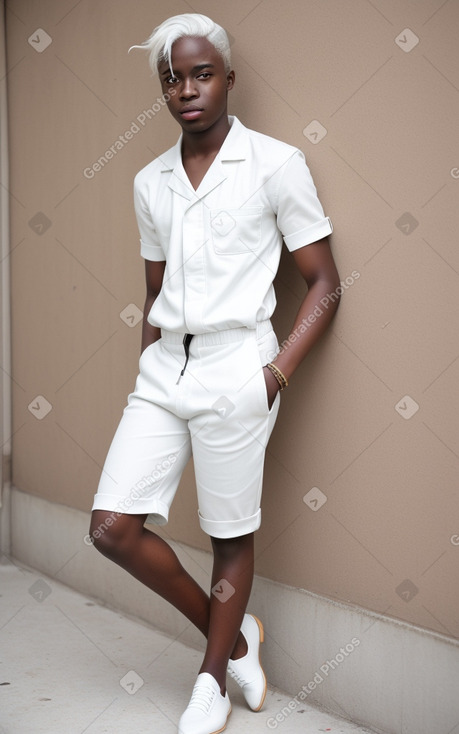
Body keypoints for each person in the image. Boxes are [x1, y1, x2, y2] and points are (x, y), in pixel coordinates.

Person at [89, 12, 340, 734]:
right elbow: (153, 289)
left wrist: (274, 374)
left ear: (228, 78)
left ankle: (209, 680)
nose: (187, 89)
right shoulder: (149, 182)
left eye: (201, 74)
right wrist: (147, 362)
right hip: (166, 367)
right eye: (173, 79)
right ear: (162, 93)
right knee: (111, 527)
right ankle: (231, 641)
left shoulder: (276, 163)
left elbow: (323, 282)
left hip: (239, 366)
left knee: (230, 533)